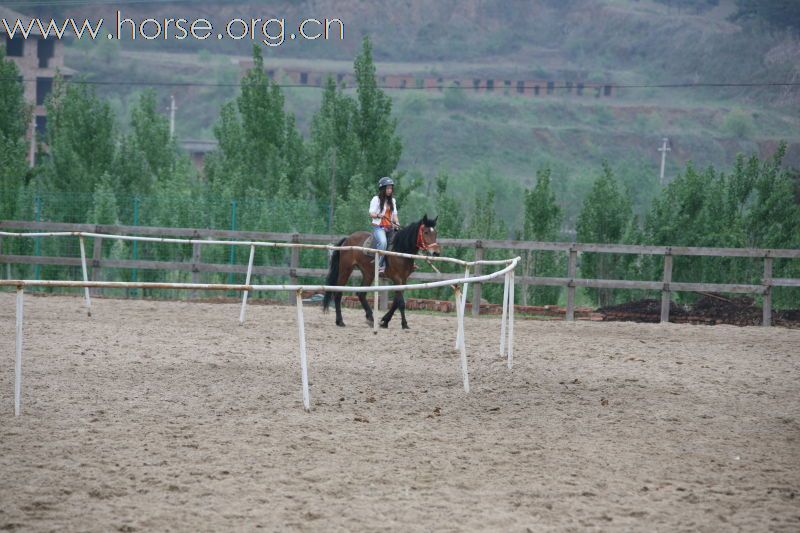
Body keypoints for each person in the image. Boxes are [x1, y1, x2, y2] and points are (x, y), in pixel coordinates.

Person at [369, 176, 399, 273]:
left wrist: (397, 223)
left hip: (390, 227)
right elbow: (371, 213)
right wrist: (378, 215)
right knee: (383, 242)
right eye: (388, 188)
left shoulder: (393, 201)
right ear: (382, 189)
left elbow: (395, 215)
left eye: (391, 188)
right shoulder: (376, 199)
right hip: (378, 227)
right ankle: (378, 265)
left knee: (402, 240)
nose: (390, 190)